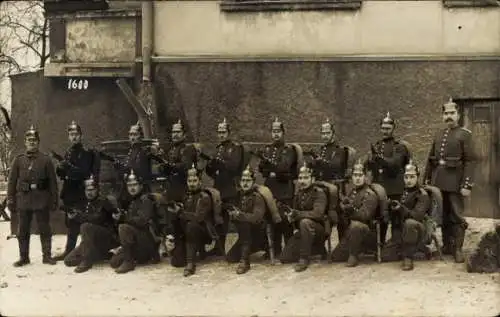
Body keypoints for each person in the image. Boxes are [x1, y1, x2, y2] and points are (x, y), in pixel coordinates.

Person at [424, 98, 475, 263]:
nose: (449, 116)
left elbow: (470, 161)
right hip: (438, 182)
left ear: (458, 115)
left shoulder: (465, 135)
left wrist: (466, 185)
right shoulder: (439, 134)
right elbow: (431, 159)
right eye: (446, 113)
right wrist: (426, 180)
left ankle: (458, 249)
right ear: (442, 116)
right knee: (443, 215)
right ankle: (447, 246)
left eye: (452, 113)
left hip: (455, 182)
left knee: (457, 216)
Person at [7, 125, 58, 266]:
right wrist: (11, 199)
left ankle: (47, 256)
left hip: (41, 199)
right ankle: (24, 257)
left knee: (44, 229)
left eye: (34, 140)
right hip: (23, 200)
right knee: (22, 230)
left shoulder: (46, 160)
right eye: (29, 140)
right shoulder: (18, 160)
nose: (32, 142)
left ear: (38, 142)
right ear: (25, 142)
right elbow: (11, 182)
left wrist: (54, 200)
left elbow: (53, 183)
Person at [53, 121, 101, 261]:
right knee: (71, 224)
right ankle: (69, 251)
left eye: (76, 134)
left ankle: (86, 251)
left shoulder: (85, 153)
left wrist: (68, 166)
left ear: (81, 136)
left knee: (83, 223)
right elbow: (64, 175)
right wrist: (60, 168)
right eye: (71, 134)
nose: (74, 137)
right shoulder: (68, 152)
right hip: (70, 193)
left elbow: (84, 173)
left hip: (81, 193)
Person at [257, 117, 300, 258]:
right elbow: (262, 170)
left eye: (278, 131)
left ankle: (289, 250)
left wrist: (273, 169)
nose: (275, 134)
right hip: (271, 189)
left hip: (285, 189)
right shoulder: (268, 149)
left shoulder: (289, 150)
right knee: (271, 218)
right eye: (273, 131)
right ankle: (275, 249)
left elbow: (284, 167)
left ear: (283, 132)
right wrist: (272, 170)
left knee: (285, 221)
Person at [365, 112, 411, 245]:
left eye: (388, 128)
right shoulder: (378, 145)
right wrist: (370, 161)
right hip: (379, 188)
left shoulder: (399, 146)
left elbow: (395, 165)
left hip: (394, 188)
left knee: (396, 218)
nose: (385, 131)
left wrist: (379, 158)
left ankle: (396, 245)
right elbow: (372, 167)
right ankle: (379, 245)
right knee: (380, 217)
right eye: (383, 128)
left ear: (393, 129)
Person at [205, 118, 246, 257]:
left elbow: (234, 166)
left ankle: (244, 246)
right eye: (219, 132)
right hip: (219, 188)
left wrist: (220, 163)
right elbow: (210, 171)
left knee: (236, 217)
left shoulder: (235, 147)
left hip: (231, 188)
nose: (221, 135)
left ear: (229, 133)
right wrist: (210, 165)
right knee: (219, 219)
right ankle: (219, 246)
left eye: (223, 132)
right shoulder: (218, 149)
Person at [309, 118, 355, 241]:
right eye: (323, 133)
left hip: (336, 188)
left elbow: (336, 166)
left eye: (327, 133)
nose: (325, 136)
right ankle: (320, 247)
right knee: (321, 217)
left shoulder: (340, 150)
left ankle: (343, 245)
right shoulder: (322, 150)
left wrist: (320, 162)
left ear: (333, 134)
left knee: (341, 218)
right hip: (322, 188)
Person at [62, 175, 119, 272]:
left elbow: (97, 219)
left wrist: (78, 216)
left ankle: (87, 260)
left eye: (92, 190)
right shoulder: (83, 204)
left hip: (105, 238)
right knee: (69, 260)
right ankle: (102, 255)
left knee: (85, 226)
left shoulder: (104, 202)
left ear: (97, 190)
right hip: (90, 242)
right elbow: (70, 226)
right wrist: (71, 218)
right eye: (87, 190)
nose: (89, 192)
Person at [381, 160, 430, 270]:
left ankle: (408, 258)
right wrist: (391, 207)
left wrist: (401, 208)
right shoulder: (403, 192)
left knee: (410, 223)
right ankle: (416, 250)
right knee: (386, 256)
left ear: (417, 177)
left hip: (418, 230)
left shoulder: (422, 194)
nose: (409, 180)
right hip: (402, 231)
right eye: (406, 177)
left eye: (412, 177)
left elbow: (417, 216)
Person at [280, 162, 328, 272]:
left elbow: (318, 214)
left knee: (305, 222)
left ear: (313, 179)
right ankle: (317, 250)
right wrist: (291, 216)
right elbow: (295, 212)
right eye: (300, 178)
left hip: (319, 230)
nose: (302, 181)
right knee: (285, 258)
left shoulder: (319, 193)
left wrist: (298, 214)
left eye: (306, 178)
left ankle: (304, 258)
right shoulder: (299, 193)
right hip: (303, 231)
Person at [330, 160, 378, 267]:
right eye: (355, 175)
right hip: (352, 233)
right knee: (335, 257)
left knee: (357, 225)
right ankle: (355, 248)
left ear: (365, 177)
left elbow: (365, 216)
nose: (357, 178)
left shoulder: (370, 194)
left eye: (360, 175)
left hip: (367, 232)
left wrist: (350, 209)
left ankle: (354, 256)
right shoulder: (353, 192)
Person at [169, 164, 214, 277]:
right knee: (177, 262)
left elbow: (198, 218)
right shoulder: (185, 196)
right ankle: (188, 250)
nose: (192, 184)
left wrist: (180, 212)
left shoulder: (204, 197)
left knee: (191, 225)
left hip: (203, 231)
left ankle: (190, 264)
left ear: (200, 182)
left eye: (194, 181)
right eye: (190, 181)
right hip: (188, 232)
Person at [109, 170, 158, 274]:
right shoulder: (131, 200)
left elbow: (142, 221)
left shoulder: (146, 199)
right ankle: (133, 257)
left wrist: (123, 217)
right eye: (129, 185)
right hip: (137, 241)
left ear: (141, 185)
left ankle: (129, 262)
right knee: (114, 262)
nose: (132, 188)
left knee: (123, 227)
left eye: (135, 184)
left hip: (147, 241)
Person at [225, 165, 268, 274]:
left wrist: (239, 215)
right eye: (243, 180)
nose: (245, 183)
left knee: (245, 225)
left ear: (253, 182)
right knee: (231, 257)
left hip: (257, 231)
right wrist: (233, 215)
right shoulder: (238, 196)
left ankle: (245, 262)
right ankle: (252, 248)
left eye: (248, 180)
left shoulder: (257, 196)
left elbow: (256, 218)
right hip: (244, 234)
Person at [162, 120, 198, 202]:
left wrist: (170, 166)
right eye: (173, 132)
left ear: (184, 134)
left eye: (178, 132)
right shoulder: (170, 150)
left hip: (184, 189)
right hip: (171, 189)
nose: (175, 135)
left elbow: (186, 166)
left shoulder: (189, 148)